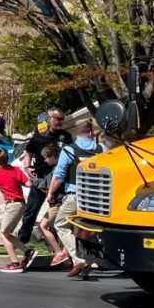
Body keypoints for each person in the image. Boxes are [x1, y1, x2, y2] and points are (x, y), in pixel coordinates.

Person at [47, 120, 104, 277]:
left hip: (76, 195)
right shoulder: (101, 150)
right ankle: (89, 261)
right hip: (98, 197)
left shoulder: (69, 150)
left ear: (76, 134)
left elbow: (59, 175)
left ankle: (78, 259)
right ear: (91, 133)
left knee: (60, 224)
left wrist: (50, 193)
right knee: (90, 229)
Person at [18, 108, 72, 244]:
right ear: (49, 119)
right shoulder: (39, 136)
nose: (60, 122)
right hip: (40, 178)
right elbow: (28, 152)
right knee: (31, 210)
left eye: (61, 119)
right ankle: (23, 240)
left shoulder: (65, 136)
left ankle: (55, 242)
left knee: (56, 212)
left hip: (58, 180)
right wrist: (26, 167)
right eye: (57, 119)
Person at [38, 145, 69, 267]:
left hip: (57, 203)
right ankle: (64, 256)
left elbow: (48, 185)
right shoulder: (60, 168)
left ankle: (59, 252)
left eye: (46, 158)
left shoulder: (56, 170)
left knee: (44, 226)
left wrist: (35, 181)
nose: (45, 160)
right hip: (59, 202)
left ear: (53, 156)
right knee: (63, 228)